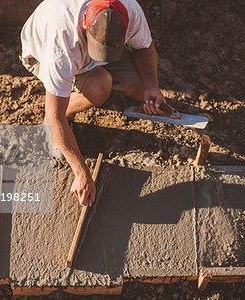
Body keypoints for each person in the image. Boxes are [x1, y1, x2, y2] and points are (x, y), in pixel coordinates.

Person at [21, 0, 169, 207]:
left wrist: (152, 86)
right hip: (41, 55)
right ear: (85, 24)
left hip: (93, 55)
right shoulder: (61, 42)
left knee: (143, 92)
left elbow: (144, 48)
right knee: (100, 88)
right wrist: (81, 172)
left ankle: (104, 71)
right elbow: (55, 117)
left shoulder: (130, 9)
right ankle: (54, 125)